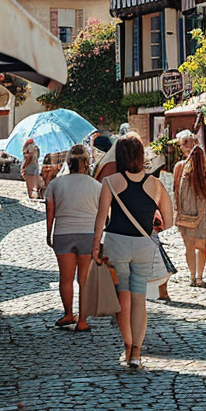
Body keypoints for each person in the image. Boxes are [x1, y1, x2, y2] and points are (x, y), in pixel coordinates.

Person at [91, 133, 174, 368]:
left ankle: (127, 346)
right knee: (139, 298)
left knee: (122, 297)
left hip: (117, 241)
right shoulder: (155, 184)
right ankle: (137, 351)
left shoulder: (111, 182)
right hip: (143, 244)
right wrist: (154, 221)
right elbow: (168, 220)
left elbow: (100, 219)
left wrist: (96, 245)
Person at [45, 145, 101, 332]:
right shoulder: (96, 186)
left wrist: (49, 233)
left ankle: (68, 313)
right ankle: (83, 320)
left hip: (63, 233)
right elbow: (102, 214)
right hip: (88, 234)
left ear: (68, 163)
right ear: (87, 163)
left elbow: (50, 211)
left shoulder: (56, 184)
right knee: (84, 279)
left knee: (66, 278)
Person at [172, 131, 206, 287]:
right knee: (189, 246)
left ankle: (199, 276)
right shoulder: (179, 167)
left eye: (192, 142)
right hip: (185, 213)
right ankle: (193, 276)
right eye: (185, 143)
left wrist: (203, 205)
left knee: (201, 246)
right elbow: (176, 189)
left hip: (201, 212)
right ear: (181, 147)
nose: (189, 146)